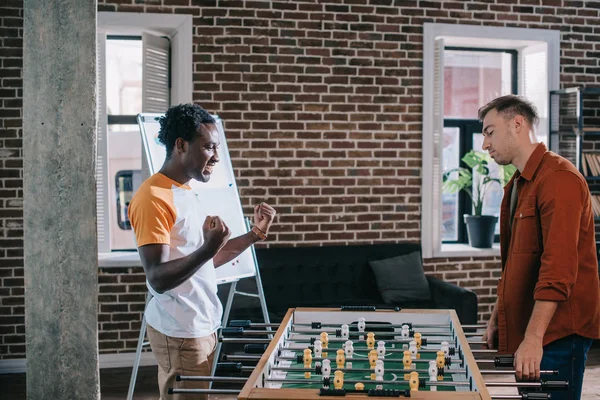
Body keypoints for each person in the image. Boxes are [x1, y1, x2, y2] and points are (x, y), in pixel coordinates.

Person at [128, 104, 276, 399]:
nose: (217, 157)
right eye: (209, 147)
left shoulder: (185, 191)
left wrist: (255, 234)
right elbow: (157, 277)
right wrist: (208, 248)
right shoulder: (153, 197)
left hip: (202, 327)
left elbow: (206, 262)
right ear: (181, 145)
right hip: (181, 332)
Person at [478, 95, 600, 400]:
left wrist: (533, 337)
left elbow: (557, 270)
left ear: (517, 124)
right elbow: (518, 262)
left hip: (557, 334)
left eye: (489, 132)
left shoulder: (558, 179)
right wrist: (498, 314)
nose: (484, 144)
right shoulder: (522, 182)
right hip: (538, 333)